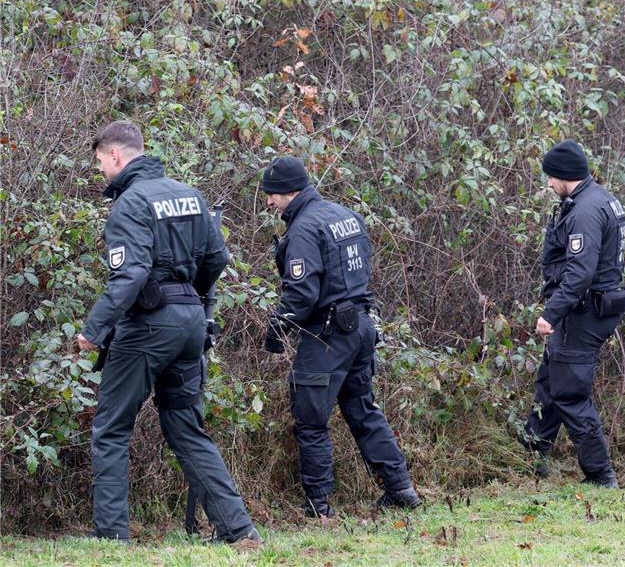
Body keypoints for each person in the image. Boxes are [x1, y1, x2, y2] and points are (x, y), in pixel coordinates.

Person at [77, 121, 259, 543]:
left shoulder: (130, 203)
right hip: (191, 323)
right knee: (185, 428)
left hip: (147, 327)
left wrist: (94, 330)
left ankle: (111, 536)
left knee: (112, 427)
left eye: (101, 161)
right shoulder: (190, 195)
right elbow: (217, 258)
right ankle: (238, 529)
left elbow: (130, 275)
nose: (101, 170)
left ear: (116, 155)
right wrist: (188, 297)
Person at [261, 156, 420, 517]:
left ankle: (317, 505)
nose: (269, 202)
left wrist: (277, 328)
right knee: (362, 408)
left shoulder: (304, 229)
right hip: (360, 327)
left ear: (289, 191)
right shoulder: (346, 215)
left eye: (272, 194)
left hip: (327, 335)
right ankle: (400, 488)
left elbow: (301, 294)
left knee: (311, 419)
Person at [519, 139, 625, 488]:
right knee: (550, 380)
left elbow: (580, 273)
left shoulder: (584, 211)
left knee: (568, 391)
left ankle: (600, 474)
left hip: (583, 312)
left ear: (564, 175)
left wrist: (551, 313)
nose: (549, 183)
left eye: (551, 177)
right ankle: (532, 456)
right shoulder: (599, 198)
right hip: (589, 307)